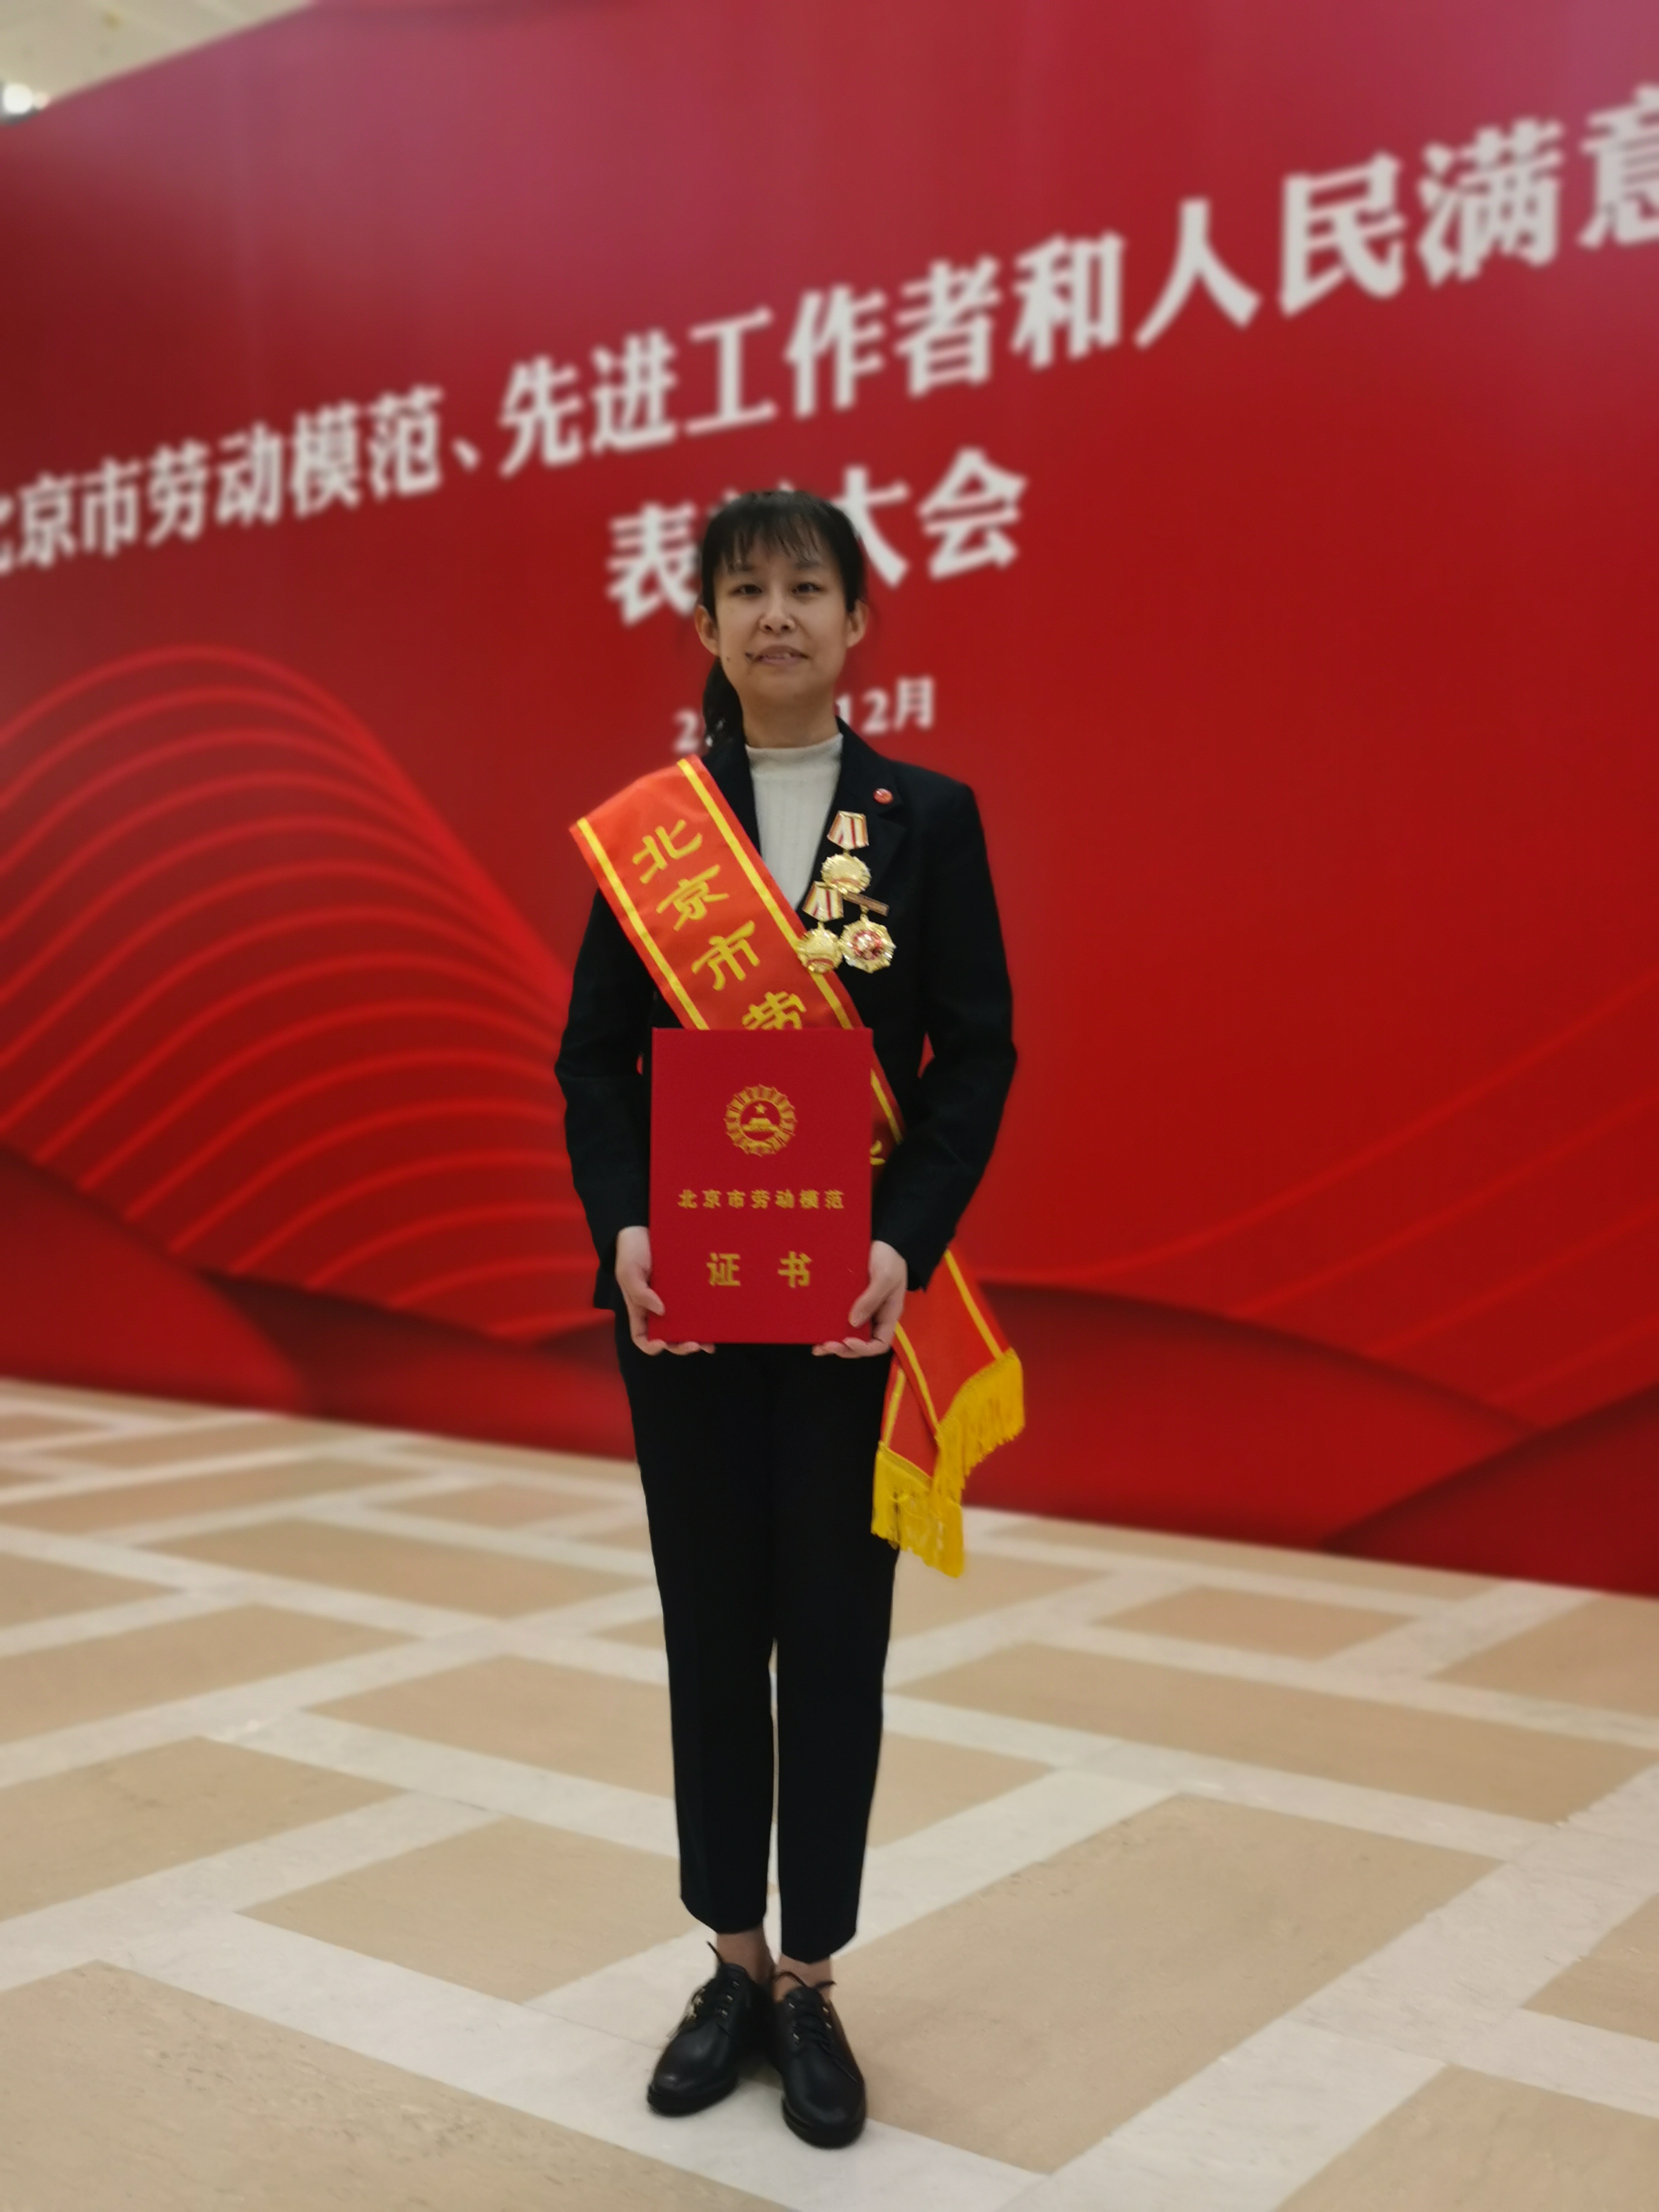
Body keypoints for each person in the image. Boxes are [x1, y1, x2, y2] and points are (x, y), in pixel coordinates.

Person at [555, 489, 1015, 2148]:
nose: (775, 615)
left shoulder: (929, 816)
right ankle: (728, 1964)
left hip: (848, 1321)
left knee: (832, 1642)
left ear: (857, 617)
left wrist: (903, 1240)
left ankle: (811, 1974)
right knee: (709, 1633)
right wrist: (624, 1224)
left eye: (806, 587)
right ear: (703, 625)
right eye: (744, 590)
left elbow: (978, 1053)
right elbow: (593, 1061)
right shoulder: (658, 834)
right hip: (686, 1314)